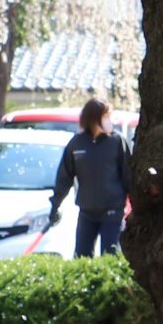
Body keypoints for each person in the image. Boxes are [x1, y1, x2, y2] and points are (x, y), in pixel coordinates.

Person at [49, 98, 131, 259]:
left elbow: (128, 176)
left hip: (112, 211)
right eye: (106, 116)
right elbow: (64, 177)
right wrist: (55, 205)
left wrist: (136, 205)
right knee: (81, 257)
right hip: (87, 211)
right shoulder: (77, 144)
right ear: (94, 118)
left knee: (110, 256)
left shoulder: (116, 142)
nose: (110, 121)